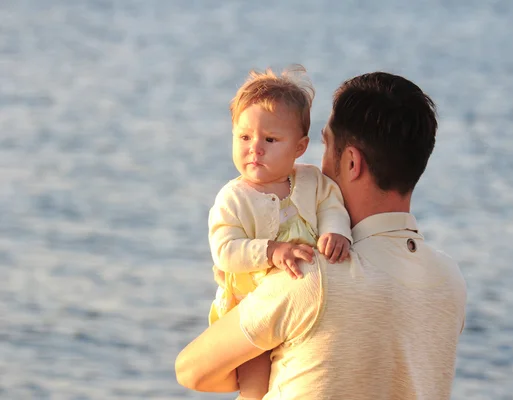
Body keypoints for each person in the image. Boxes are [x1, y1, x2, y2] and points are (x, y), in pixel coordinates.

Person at [176, 71, 467, 399]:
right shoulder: (451, 281)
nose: (318, 164)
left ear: (352, 162)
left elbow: (190, 369)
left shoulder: (309, 275)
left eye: (326, 146)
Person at [206, 65, 352, 399]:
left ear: (299, 147)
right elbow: (225, 250)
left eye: (270, 140)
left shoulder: (313, 181)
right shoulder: (234, 198)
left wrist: (335, 232)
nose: (254, 148)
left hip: (304, 303)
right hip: (251, 307)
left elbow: (333, 206)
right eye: (244, 137)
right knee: (256, 383)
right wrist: (271, 251)